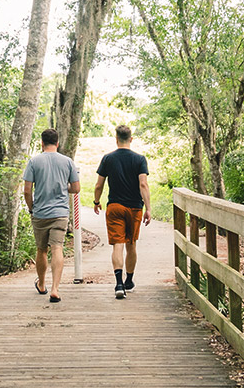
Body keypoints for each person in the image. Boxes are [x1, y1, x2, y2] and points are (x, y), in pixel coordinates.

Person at [93, 124, 151, 299]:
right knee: (131, 244)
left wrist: (96, 201)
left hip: (115, 207)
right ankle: (129, 281)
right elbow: (143, 184)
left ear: (116, 139)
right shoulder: (140, 159)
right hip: (134, 207)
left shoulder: (107, 159)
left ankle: (118, 284)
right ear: (131, 139)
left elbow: (98, 185)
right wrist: (148, 208)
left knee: (118, 245)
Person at [22, 128, 80, 303]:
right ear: (58, 143)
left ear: (41, 143)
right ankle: (55, 288)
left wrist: (32, 208)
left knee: (42, 249)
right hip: (60, 213)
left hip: (40, 213)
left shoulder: (34, 161)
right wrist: (64, 188)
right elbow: (76, 188)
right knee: (57, 248)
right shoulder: (67, 162)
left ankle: (41, 284)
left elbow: (27, 190)